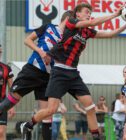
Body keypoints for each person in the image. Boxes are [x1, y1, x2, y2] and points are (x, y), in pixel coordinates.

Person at [18, 3, 126, 140]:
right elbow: (94, 21)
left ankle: (96, 138)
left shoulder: (87, 32)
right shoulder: (71, 22)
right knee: (51, 109)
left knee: (91, 107)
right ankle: (28, 124)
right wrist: (115, 14)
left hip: (73, 74)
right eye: (86, 11)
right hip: (59, 72)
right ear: (77, 14)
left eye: (90, 12)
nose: (89, 14)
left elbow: (110, 33)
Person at [0, 11, 74, 140]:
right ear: (68, 19)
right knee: (8, 103)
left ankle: (30, 128)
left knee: (47, 115)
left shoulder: (69, 38)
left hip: (48, 77)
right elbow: (27, 40)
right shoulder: (48, 27)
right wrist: (41, 52)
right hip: (32, 70)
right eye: (75, 21)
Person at [0, 46, 15, 140]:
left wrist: (12, 105)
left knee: (1, 132)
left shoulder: (6, 68)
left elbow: (12, 88)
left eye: (0, 51)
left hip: (2, 103)